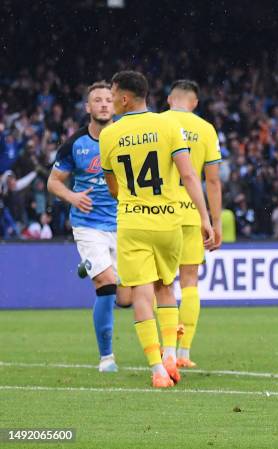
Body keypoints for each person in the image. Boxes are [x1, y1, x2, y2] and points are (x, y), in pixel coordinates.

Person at [99, 71, 214, 388]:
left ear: (125, 98)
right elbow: (190, 176)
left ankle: (157, 370)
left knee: (141, 294)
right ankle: (170, 351)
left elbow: (113, 189)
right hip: (169, 221)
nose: (110, 100)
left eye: (112, 94)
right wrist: (204, 218)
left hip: (133, 223)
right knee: (167, 287)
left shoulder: (109, 135)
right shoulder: (168, 126)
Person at [47, 81, 128, 372]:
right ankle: (106, 358)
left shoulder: (126, 138)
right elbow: (53, 182)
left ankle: (89, 266)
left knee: (127, 299)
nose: (105, 104)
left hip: (123, 223)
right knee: (106, 284)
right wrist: (72, 196)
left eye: (109, 99)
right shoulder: (74, 144)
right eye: (98, 100)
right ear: (88, 107)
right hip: (88, 224)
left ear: (116, 103)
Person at [160, 79, 222, 368]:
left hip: (159, 214)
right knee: (189, 283)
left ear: (169, 99)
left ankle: (166, 349)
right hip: (193, 215)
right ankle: (184, 353)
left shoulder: (157, 123)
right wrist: (214, 221)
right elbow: (212, 180)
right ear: (195, 103)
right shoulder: (206, 129)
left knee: (162, 284)